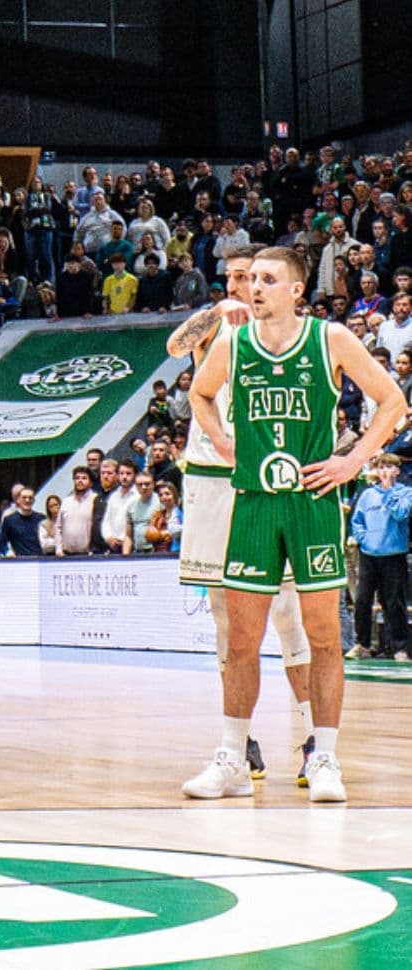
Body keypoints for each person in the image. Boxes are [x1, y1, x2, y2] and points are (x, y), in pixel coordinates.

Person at [187, 245, 404, 804]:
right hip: (254, 502)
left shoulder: (330, 339)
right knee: (241, 641)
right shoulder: (233, 342)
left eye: (267, 279)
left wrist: (351, 461)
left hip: (311, 502)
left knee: (324, 637)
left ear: (296, 291)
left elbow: (392, 401)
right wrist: (221, 440)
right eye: (250, 278)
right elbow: (200, 394)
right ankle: (232, 756)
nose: (253, 287)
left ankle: (325, 756)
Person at [168, 245, 316, 789]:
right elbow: (174, 344)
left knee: (287, 614)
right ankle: (239, 744)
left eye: (250, 276)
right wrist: (215, 314)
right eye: (233, 276)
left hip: (264, 476)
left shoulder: (286, 332)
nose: (240, 284)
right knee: (227, 623)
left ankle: (309, 738)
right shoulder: (217, 324)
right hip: (210, 475)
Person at [348, 453, 412, 660]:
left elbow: (401, 514)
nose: (384, 471)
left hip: (394, 555)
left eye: (389, 467)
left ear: (397, 471)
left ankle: (399, 646)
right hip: (369, 555)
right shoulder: (367, 495)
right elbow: (357, 520)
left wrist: (390, 490)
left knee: (394, 603)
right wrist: (364, 538)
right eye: (381, 467)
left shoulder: (405, 493)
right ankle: (363, 644)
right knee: (362, 601)